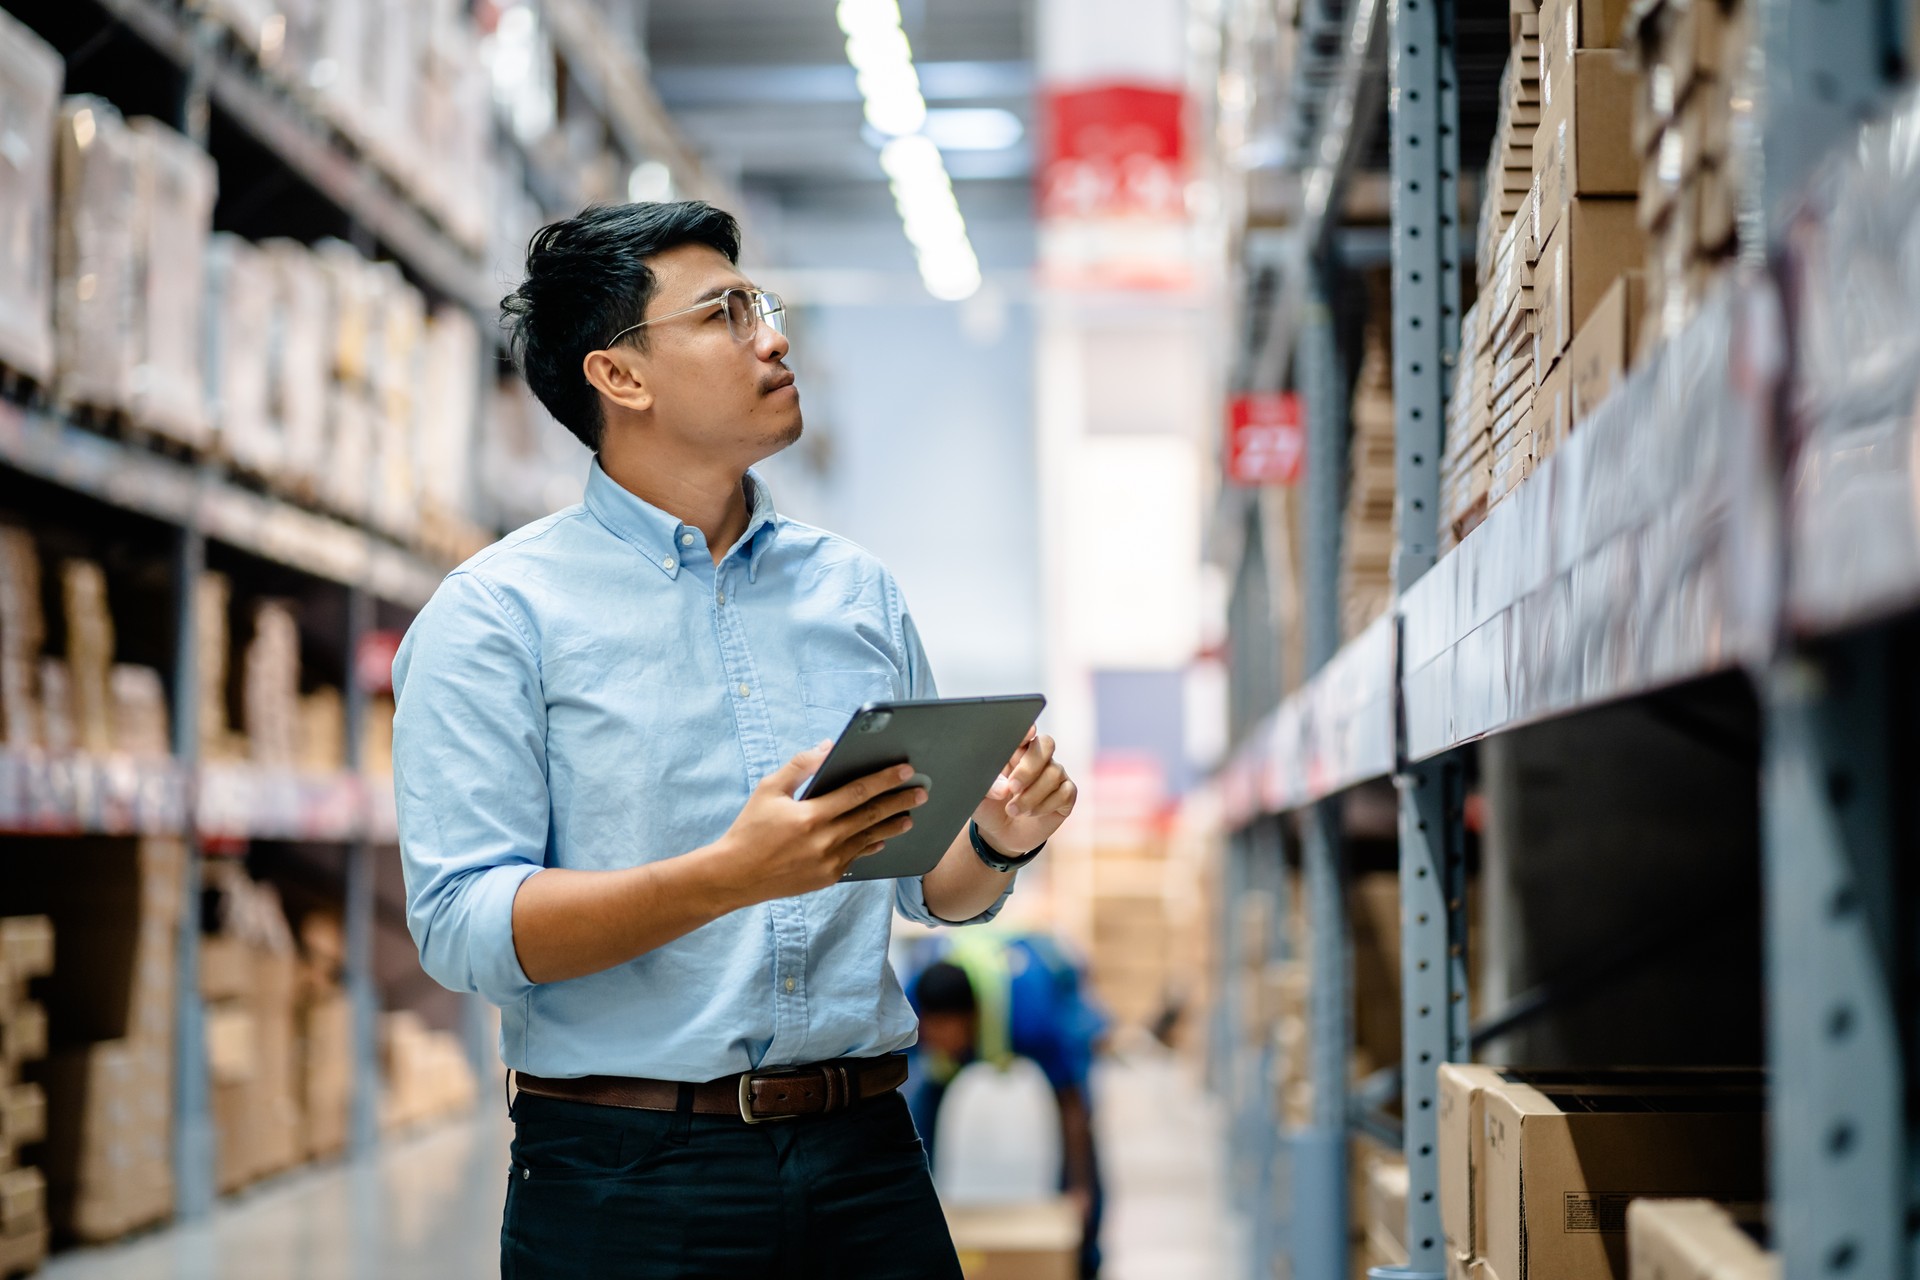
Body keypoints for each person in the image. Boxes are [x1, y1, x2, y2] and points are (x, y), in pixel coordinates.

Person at [391, 200, 1078, 1279]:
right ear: (620, 376)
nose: (773, 336)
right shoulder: (495, 617)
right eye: (727, 312)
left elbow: (922, 885)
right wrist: (726, 876)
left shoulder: (855, 592)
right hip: (625, 1178)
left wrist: (994, 839)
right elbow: (464, 923)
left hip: (868, 1160)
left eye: (761, 304)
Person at [907, 935, 1109, 1278]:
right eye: (928, 1031)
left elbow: (1070, 1102)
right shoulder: (913, 999)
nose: (932, 1040)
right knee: (919, 1112)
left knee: (1081, 1164)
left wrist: (1079, 1188)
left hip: (1051, 1019)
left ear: (970, 1021)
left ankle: (1083, 1256)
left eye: (943, 1031)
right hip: (971, 1027)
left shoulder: (1031, 1018)